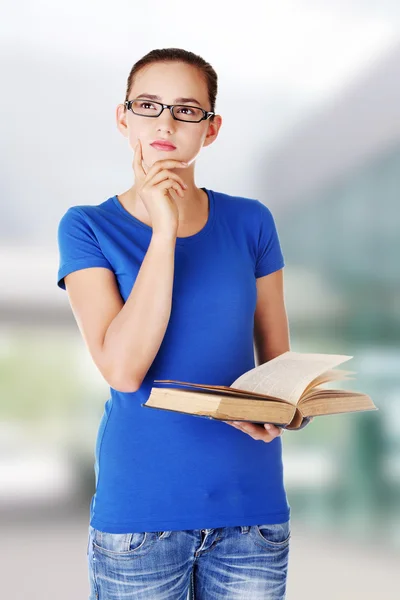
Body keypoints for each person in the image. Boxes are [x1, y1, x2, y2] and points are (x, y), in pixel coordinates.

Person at [56, 47, 291, 600]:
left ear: (211, 130)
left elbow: (279, 367)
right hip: (141, 516)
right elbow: (123, 369)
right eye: (149, 105)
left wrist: (286, 413)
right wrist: (163, 230)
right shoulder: (87, 227)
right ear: (123, 117)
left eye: (187, 110)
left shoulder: (251, 221)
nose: (165, 122)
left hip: (250, 511)